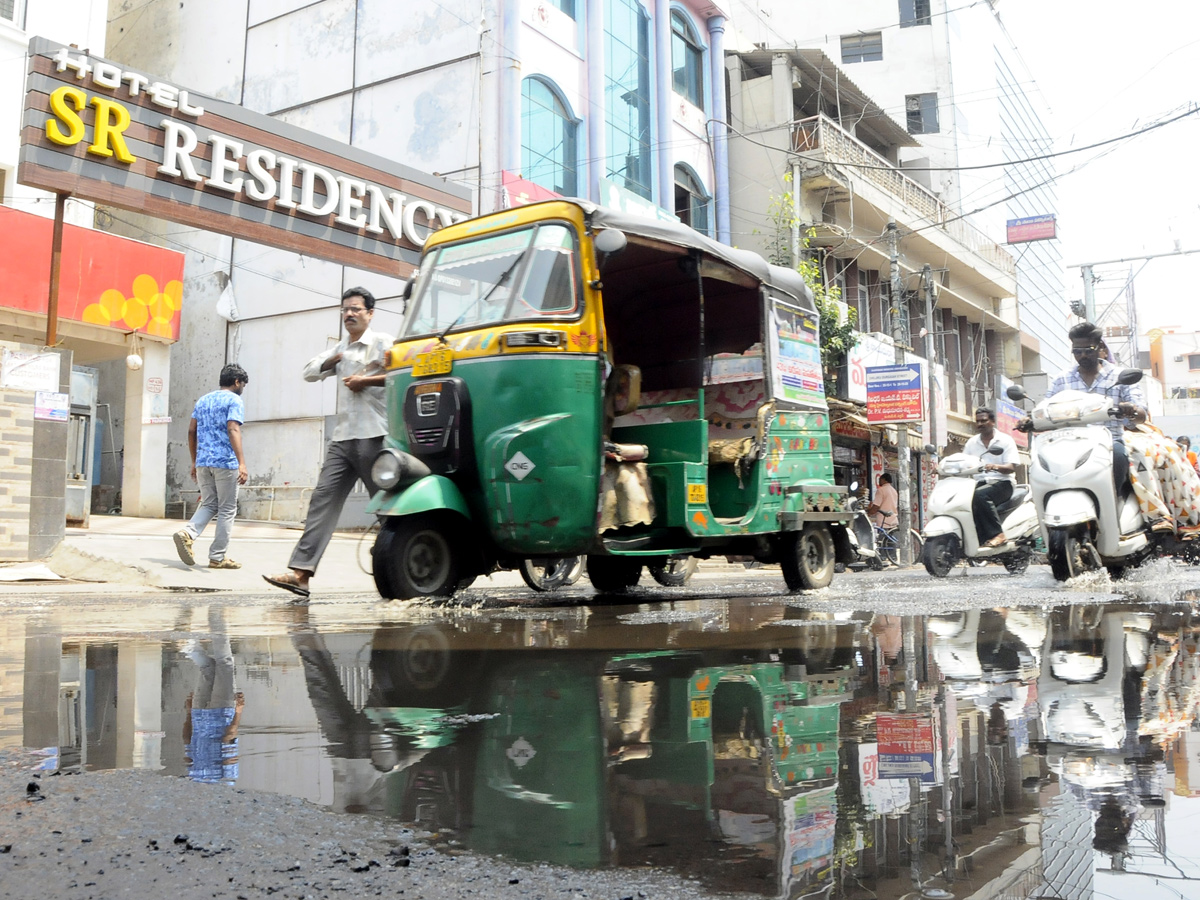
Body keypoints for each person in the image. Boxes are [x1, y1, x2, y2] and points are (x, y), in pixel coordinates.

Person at [264, 287, 394, 600]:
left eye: (356, 310)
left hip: (374, 436)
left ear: (370, 314)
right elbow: (309, 373)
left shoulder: (383, 343)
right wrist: (333, 361)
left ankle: (409, 562)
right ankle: (301, 574)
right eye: (345, 310)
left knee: (389, 509)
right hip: (343, 440)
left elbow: (401, 372)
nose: (349, 314)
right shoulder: (340, 348)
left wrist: (366, 380)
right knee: (322, 501)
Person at [1034, 321, 1147, 496]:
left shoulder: (1118, 376)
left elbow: (1141, 414)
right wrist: (1031, 419)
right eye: (1077, 352)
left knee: (1119, 456)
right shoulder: (1062, 380)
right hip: (1068, 444)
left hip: (1108, 444)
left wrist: (1131, 410)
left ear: (1100, 346)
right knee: (1041, 464)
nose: (1083, 355)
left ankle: (1113, 501)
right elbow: (1044, 408)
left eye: (1088, 350)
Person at [174, 364, 249, 569]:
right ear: (236, 382)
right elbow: (233, 428)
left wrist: (194, 460)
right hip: (225, 462)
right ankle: (217, 557)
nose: (242, 388)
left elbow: (191, 431)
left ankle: (187, 533)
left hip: (203, 462)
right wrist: (241, 462)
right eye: (243, 384)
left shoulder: (203, 400)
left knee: (208, 503)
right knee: (227, 509)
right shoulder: (235, 400)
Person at [962, 406, 1020, 547]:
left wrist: (995, 466)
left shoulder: (1005, 440)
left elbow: (1011, 467)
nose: (980, 424)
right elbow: (963, 462)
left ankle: (998, 534)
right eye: (978, 421)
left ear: (993, 421)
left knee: (980, 496)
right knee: (962, 500)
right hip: (978, 483)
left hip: (1003, 483)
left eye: (984, 421)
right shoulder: (972, 442)